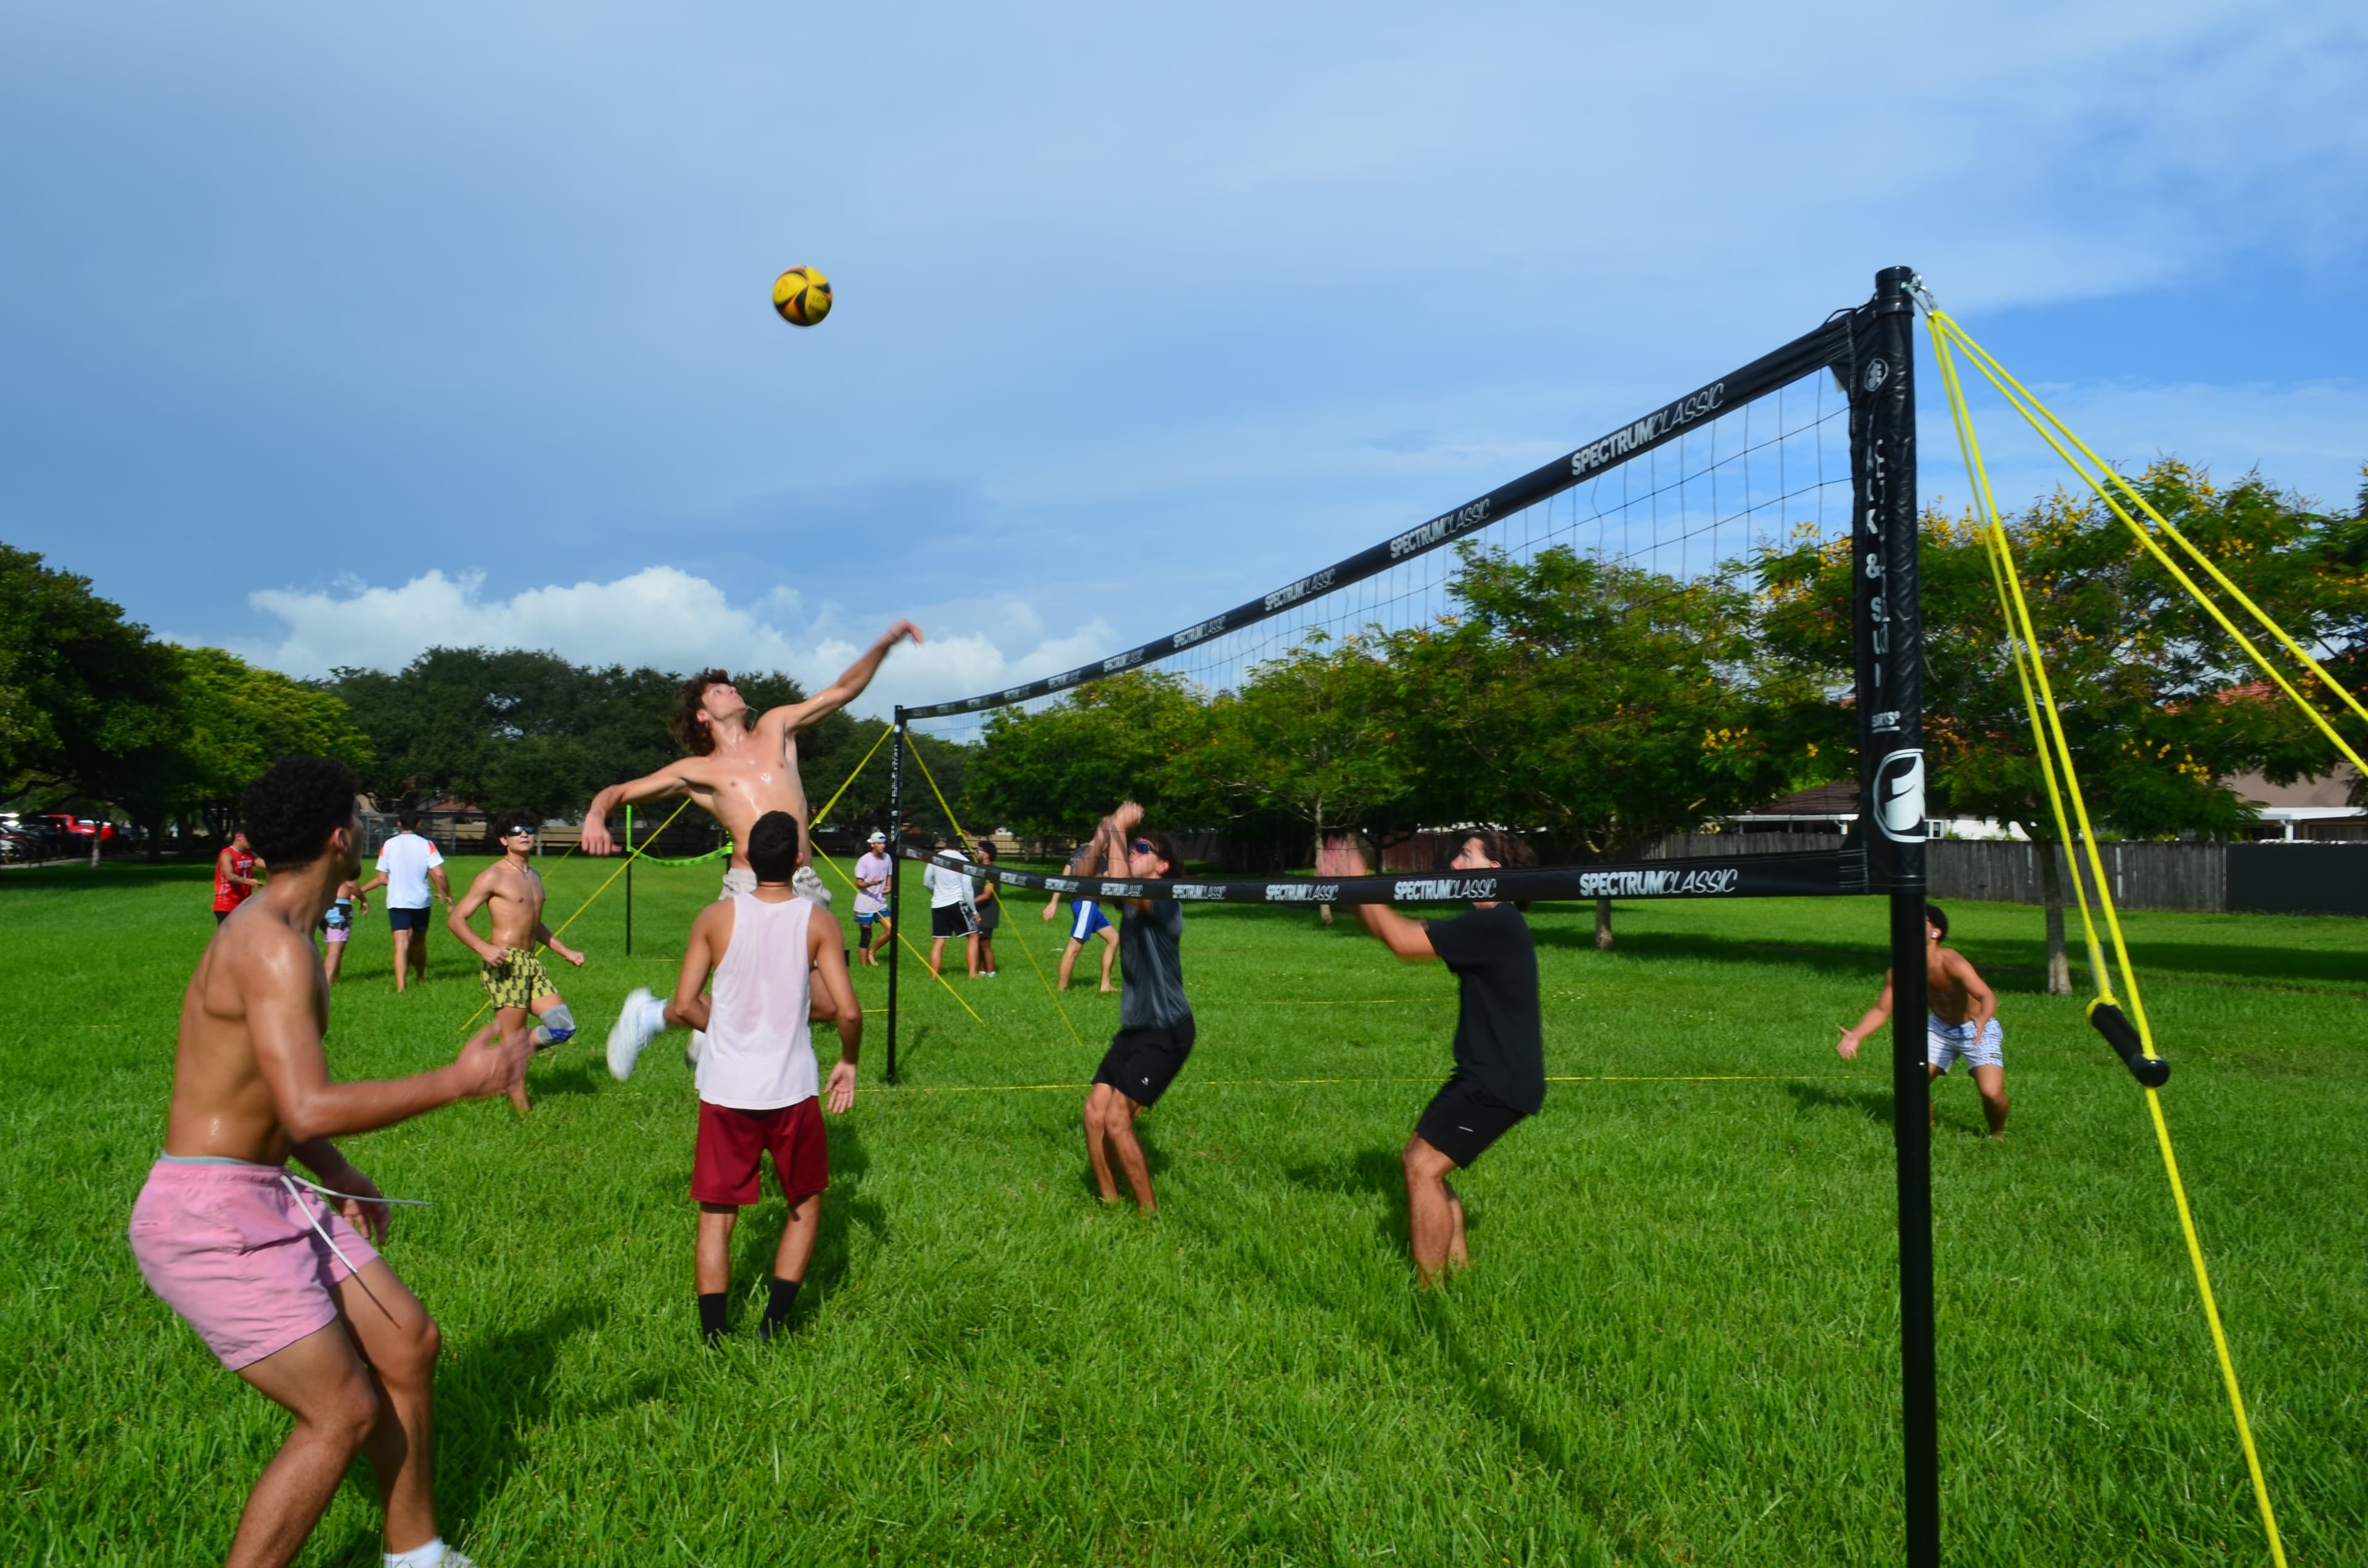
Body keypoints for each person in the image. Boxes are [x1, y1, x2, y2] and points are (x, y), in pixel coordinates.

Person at [128, 755, 528, 1568]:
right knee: (340, 1409)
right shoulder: (271, 945)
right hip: (209, 1215)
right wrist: (459, 1080)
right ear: (340, 837)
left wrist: (338, 1171)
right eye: (363, 814)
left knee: (409, 1341)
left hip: (268, 1189)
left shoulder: (291, 935)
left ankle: (415, 1552)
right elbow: (307, 1101)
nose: (371, 826)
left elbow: (276, 1101)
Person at [601, 811, 859, 1344]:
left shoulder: (714, 918)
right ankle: (773, 1327)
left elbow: (683, 1003)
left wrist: (730, 1025)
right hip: (792, 1090)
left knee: (716, 1217)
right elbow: (847, 1012)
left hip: (725, 1089)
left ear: (743, 857)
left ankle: (714, 1337)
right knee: (804, 1205)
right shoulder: (818, 922)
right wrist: (849, 1061)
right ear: (798, 859)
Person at [1315, 829, 1544, 1287]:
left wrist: (1358, 877)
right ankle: (1458, 1272)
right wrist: (1353, 892)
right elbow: (1393, 934)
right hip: (1486, 1074)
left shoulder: (1496, 921)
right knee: (1426, 1164)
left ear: (1495, 870)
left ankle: (1429, 1291)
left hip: (1497, 1081)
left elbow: (1402, 940)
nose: (1455, 865)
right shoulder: (1493, 923)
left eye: (1466, 855)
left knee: (1421, 1166)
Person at [577, 625, 923, 900]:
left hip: (802, 882)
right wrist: (595, 814)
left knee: (812, 990)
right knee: (740, 991)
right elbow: (619, 792)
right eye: (718, 691)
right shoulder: (696, 771)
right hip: (746, 886)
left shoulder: (776, 727)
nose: (731, 690)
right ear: (701, 715)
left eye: (731, 686)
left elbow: (842, 689)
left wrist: (885, 644)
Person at [1075, 803, 1193, 1213]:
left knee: (1116, 1120)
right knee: (1093, 1113)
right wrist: (1103, 836)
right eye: (1136, 847)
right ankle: (1109, 1202)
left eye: (1145, 848)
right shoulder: (1129, 893)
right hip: (1136, 1027)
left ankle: (1148, 1215)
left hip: (1167, 1030)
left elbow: (1123, 883)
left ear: (1161, 866)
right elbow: (1081, 880)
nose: (1136, 850)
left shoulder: (1162, 899)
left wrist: (1123, 829)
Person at [446, 813, 586, 1116]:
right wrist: (484, 948)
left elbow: (535, 925)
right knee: (514, 1040)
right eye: (516, 831)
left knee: (563, 1027)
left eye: (529, 830)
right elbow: (456, 919)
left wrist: (566, 952)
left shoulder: (534, 876)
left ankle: (504, 1056)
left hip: (531, 964)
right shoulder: (492, 876)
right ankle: (524, 1113)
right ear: (504, 840)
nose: (524, 834)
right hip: (505, 964)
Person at [1836, 902, 2008, 1140]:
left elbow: (1987, 996)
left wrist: (1983, 1018)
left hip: (1978, 1028)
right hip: (1938, 1028)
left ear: (1936, 932)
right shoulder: (1901, 970)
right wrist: (1856, 1035)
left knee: (1991, 1093)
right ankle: (1922, 1133)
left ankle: (1997, 1134)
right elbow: (1881, 1010)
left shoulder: (1951, 962)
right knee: (1913, 1083)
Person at [358, 812, 451, 993]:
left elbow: (381, 877)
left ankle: (401, 986)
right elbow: (439, 874)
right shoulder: (427, 845)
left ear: (399, 823)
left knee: (400, 944)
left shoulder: (389, 845)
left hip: (397, 900)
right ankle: (420, 975)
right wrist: (447, 894)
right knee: (419, 941)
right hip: (420, 901)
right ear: (418, 824)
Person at [1041, 842, 1119, 993]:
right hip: (1087, 905)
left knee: (1114, 939)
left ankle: (1105, 985)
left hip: (1081, 903)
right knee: (1073, 949)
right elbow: (1107, 879)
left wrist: (1054, 903)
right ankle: (1061, 991)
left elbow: (1064, 878)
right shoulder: (1098, 855)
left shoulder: (1078, 852)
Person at [923, 837, 979, 978]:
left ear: (945, 845)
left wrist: (936, 892)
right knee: (973, 936)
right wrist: (974, 911)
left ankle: (933, 976)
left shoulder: (935, 858)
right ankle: (973, 974)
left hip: (938, 904)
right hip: (957, 902)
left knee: (939, 940)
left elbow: (927, 882)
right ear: (959, 846)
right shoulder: (964, 861)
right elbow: (967, 889)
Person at [852, 830, 893, 967]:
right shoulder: (864, 860)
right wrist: (871, 883)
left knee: (891, 931)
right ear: (872, 845)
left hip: (881, 903)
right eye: (879, 843)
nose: (882, 846)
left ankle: (872, 952)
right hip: (865, 904)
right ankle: (864, 967)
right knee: (866, 935)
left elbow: (889, 875)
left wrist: (889, 886)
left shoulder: (887, 858)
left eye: (883, 843)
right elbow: (859, 883)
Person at [318, 874, 366, 985]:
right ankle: (327, 985)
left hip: (322, 906)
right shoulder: (343, 863)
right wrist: (363, 899)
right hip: (339, 907)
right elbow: (351, 884)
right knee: (335, 952)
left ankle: (335, 981)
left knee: (335, 949)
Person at [213, 827, 263, 924]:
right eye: (249, 838)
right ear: (239, 837)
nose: (252, 841)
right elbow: (230, 876)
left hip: (244, 903)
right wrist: (248, 881)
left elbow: (268, 865)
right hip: (226, 903)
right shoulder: (227, 854)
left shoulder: (250, 855)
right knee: (228, 936)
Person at [969, 839, 1001, 978]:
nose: (976, 853)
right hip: (979, 911)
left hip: (987, 913)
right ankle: (982, 970)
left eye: (978, 851)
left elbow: (987, 895)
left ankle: (991, 972)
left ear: (986, 854)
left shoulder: (991, 871)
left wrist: (969, 903)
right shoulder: (980, 870)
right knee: (980, 942)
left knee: (985, 944)